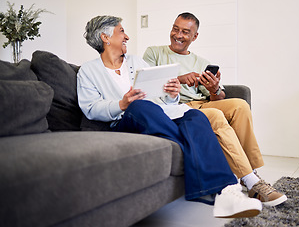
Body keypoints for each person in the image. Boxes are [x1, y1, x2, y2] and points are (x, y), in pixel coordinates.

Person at [77, 15, 263, 219]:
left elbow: (161, 97)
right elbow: (90, 108)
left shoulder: (136, 62)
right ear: (105, 37)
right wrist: (122, 103)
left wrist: (172, 95)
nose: (127, 36)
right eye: (121, 31)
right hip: (124, 121)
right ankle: (211, 167)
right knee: (140, 105)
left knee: (195, 117)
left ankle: (226, 193)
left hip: (159, 115)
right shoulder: (88, 71)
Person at [143, 12, 287, 207]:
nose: (178, 35)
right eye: (175, 29)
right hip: (178, 107)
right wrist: (181, 78)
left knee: (240, 105)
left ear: (195, 36)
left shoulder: (201, 62)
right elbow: (146, 85)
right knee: (216, 114)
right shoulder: (153, 53)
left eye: (185, 32)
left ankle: (250, 174)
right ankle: (253, 181)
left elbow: (217, 98)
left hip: (203, 102)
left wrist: (214, 88)